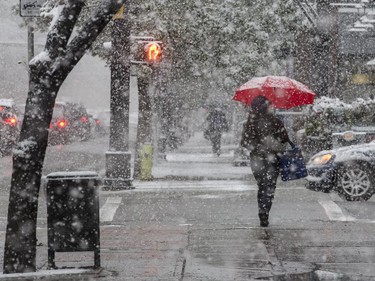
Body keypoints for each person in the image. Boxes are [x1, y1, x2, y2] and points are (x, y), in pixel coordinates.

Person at [240, 96, 292, 227]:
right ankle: (265, 212)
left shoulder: (250, 123)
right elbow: (284, 140)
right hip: (272, 160)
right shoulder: (275, 121)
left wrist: (257, 147)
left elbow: (245, 142)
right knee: (269, 186)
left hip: (256, 160)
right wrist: (272, 144)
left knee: (262, 186)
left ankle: (262, 211)